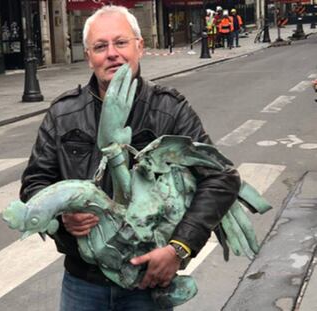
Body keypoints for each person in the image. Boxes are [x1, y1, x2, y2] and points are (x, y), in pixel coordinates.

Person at [20, 5, 240, 311]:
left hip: (148, 283)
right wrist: (61, 218)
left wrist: (179, 249)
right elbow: (35, 183)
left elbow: (221, 177)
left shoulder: (169, 109)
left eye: (121, 42)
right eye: (100, 46)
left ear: (140, 46)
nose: (112, 53)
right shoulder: (63, 113)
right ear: (88, 56)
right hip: (84, 283)